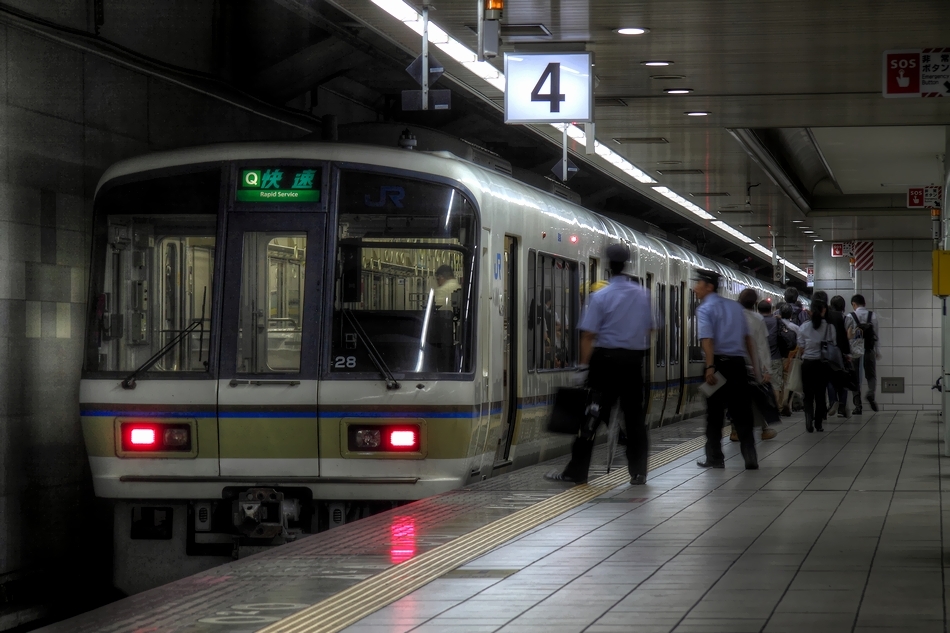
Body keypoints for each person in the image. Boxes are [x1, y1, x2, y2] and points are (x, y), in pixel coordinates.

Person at [545, 244, 654, 485]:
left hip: (604, 364)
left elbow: (588, 335)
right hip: (633, 364)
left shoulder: (600, 296)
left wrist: (583, 368)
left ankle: (577, 471)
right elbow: (650, 329)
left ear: (608, 266)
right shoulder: (643, 295)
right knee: (635, 419)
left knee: (591, 416)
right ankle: (639, 472)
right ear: (626, 264)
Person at [694, 269, 759, 470]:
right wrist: (755, 368)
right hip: (738, 365)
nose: (695, 288)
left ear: (709, 287)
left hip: (717, 366)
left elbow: (708, 340)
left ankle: (715, 458)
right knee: (742, 412)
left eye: (698, 284)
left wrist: (710, 366)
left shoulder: (705, 309)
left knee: (714, 414)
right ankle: (750, 456)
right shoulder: (735, 307)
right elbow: (748, 340)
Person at [736, 289, 776, 441]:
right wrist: (767, 369)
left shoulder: (732, 316)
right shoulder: (758, 319)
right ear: (755, 303)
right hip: (753, 366)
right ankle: (764, 429)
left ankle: (734, 429)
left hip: (735, 364)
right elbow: (762, 346)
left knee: (736, 398)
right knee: (759, 397)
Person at [795, 297, 831, 432]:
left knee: (808, 394)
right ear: (824, 310)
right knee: (820, 394)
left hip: (807, 364)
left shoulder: (804, 327)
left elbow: (801, 347)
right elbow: (832, 344)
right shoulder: (828, 327)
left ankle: (808, 420)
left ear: (810, 311)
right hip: (822, 364)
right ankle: (819, 423)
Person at [847, 293, 880, 414]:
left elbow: (848, 336)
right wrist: (877, 351)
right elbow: (876, 335)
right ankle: (870, 393)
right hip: (869, 349)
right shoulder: (873, 316)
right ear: (864, 304)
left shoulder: (850, 316)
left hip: (855, 351)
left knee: (855, 378)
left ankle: (858, 406)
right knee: (871, 376)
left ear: (853, 304)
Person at [826, 294, 852, 418]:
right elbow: (848, 337)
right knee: (843, 378)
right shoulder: (846, 318)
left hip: (830, 352)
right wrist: (848, 353)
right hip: (842, 353)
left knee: (830, 378)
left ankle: (833, 401)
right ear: (843, 306)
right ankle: (842, 407)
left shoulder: (827, 319)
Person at [758, 300, 784, 406]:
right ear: (771, 310)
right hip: (775, 358)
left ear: (758, 310)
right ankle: (775, 409)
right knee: (775, 386)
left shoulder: (756, 321)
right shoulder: (776, 321)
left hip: (759, 359)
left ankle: (762, 410)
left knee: (759, 386)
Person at [778, 302, 801, 416]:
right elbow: (799, 344)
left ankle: (778, 404)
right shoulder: (795, 328)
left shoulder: (777, 325)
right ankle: (786, 404)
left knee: (778, 381)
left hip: (778, 356)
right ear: (791, 315)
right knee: (788, 382)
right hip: (790, 357)